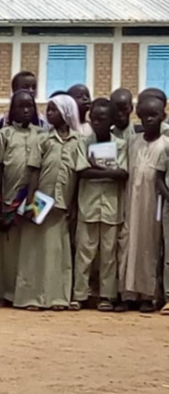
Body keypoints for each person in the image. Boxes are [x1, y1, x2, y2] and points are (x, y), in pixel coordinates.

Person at [15, 94, 81, 311]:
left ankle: (57, 298)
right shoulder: (43, 139)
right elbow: (33, 171)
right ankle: (31, 297)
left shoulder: (78, 141)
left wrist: (73, 205)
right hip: (41, 200)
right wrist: (32, 200)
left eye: (53, 110)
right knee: (34, 249)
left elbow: (79, 175)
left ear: (66, 113)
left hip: (64, 202)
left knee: (57, 251)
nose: (48, 114)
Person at [72, 98, 128, 312]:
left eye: (102, 119)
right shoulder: (83, 142)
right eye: (93, 118)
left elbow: (122, 173)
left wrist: (97, 170)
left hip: (112, 207)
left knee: (108, 253)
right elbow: (82, 171)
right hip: (88, 205)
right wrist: (108, 172)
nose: (96, 122)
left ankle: (106, 295)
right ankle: (80, 294)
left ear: (112, 121)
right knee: (84, 252)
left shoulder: (121, 145)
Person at [118, 96, 169, 314]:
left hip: (153, 204)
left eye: (154, 115)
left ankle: (148, 295)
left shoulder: (166, 144)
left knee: (150, 246)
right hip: (131, 200)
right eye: (144, 115)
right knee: (128, 245)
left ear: (163, 117)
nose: (149, 119)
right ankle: (127, 294)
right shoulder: (133, 141)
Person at [0, 90, 39, 306]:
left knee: (29, 245)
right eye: (21, 106)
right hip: (9, 195)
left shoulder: (41, 134)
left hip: (33, 196)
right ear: (12, 109)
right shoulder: (4, 134)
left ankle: (26, 293)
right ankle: (5, 292)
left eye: (29, 106)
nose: (26, 110)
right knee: (8, 247)